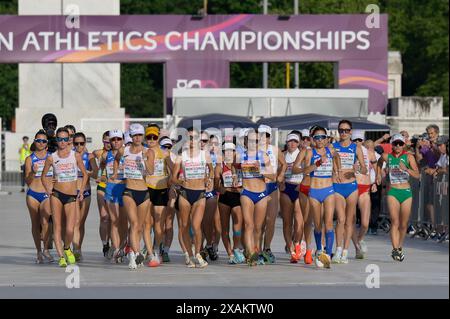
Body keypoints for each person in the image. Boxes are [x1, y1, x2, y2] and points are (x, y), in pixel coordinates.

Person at [41, 127, 89, 267]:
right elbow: (44, 175)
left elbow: (85, 174)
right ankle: (61, 256)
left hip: (71, 195)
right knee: (57, 226)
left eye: (65, 139)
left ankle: (67, 247)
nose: (62, 142)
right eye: (59, 139)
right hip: (56, 195)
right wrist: (48, 188)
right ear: (56, 140)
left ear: (69, 140)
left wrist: (80, 191)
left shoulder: (75, 155)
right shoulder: (52, 157)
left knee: (70, 228)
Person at [112, 124, 155, 270]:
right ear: (131, 136)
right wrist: (115, 173)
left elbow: (150, 171)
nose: (137, 138)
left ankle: (131, 250)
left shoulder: (148, 151)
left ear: (142, 136)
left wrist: (144, 159)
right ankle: (134, 254)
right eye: (135, 135)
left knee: (140, 227)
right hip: (129, 191)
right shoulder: (124, 150)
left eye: (140, 135)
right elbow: (116, 159)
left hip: (144, 193)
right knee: (134, 223)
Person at [171, 127, 213, 268]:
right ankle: (189, 254)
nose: (192, 140)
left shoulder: (204, 154)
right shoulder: (181, 156)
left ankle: (197, 253)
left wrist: (208, 178)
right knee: (184, 226)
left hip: (200, 193)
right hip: (185, 193)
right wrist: (180, 182)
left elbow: (211, 170)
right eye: (189, 137)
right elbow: (173, 178)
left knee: (196, 226)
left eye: (195, 137)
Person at [302, 126, 340, 269]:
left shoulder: (330, 150)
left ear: (326, 138)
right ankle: (319, 250)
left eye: (322, 137)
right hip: (314, 190)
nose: (320, 140)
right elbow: (304, 170)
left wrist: (337, 171)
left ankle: (328, 254)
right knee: (317, 224)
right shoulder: (309, 152)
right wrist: (316, 164)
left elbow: (337, 157)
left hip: (328, 189)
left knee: (329, 222)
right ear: (312, 139)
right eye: (317, 137)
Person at [377, 134, 420, 261]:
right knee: (394, 221)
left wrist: (406, 169)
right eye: (395, 144)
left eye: (400, 144)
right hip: (393, 191)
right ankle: (395, 249)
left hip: (406, 192)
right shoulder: (387, 156)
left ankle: (399, 247)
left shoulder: (409, 157)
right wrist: (378, 175)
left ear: (404, 145)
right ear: (392, 144)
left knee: (403, 224)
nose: (398, 146)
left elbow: (417, 175)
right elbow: (379, 163)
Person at [236, 130, 275, 266]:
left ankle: (255, 250)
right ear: (246, 142)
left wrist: (261, 170)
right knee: (248, 225)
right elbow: (234, 171)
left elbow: (273, 176)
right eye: (251, 140)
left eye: (256, 141)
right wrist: (236, 181)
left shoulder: (263, 156)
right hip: (247, 192)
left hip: (261, 194)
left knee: (258, 228)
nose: (254, 143)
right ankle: (251, 254)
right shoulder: (240, 156)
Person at [332, 120, 367, 264]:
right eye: (341, 130)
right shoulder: (333, 146)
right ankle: (338, 249)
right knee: (340, 219)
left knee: (349, 220)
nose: (343, 133)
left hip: (351, 186)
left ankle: (346, 251)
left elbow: (365, 169)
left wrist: (357, 168)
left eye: (346, 130)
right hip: (337, 185)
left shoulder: (356, 147)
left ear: (351, 132)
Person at [258, 124, 287, 264]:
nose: (264, 138)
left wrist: (280, 176)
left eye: (266, 135)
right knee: (259, 222)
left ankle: (267, 248)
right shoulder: (253, 150)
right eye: (261, 135)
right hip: (258, 187)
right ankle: (256, 249)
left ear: (270, 137)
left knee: (270, 220)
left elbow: (284, 164)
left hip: (272, 187)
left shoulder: (275, 150)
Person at [145, 124, 173, 266]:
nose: (151, 139)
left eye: (154, 137)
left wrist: (171, 183)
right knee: (147, 222)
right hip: (147, 188)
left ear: (157, 138)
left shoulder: (165, 153)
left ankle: (157, 249)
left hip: (161, 189)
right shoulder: (143, 152)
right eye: (148, 137)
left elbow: (173, 169)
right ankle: (149, 251)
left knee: (158, 222)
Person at [24, 130, 54, 263]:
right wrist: (33, 173)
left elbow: (59, 174)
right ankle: (38, 252)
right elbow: (27, 181)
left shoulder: (51, 157)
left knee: (45, 221)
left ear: (47, 143)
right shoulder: (29, 159)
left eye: (43, 141)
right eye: (38, 140)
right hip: (33, 194)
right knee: (35, 224)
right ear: (34, 142)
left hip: (47, 194)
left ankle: (46, 248)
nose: (40, 143)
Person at [215, 142, 246, 264]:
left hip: (237, 197)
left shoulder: (240, 165)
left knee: (237, 226)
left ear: (235, 152)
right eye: (226, 151)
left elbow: (247, 181)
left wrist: (240, 189)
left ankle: (236, 247)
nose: (228, 153)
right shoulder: (219, 166)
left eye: (231, 151)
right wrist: (221, 188)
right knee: (225, 228)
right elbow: (216, 186)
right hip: (224, 198)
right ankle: (230, 254)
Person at [102, 129, 127, 263]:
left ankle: (122, 247)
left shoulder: (128, 153)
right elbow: (99, 170)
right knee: (114, 221)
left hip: (125, 188)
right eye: (113, 139)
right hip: (111, 188)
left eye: (118, 139)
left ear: (123, 140)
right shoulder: (106, 155)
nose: (116, 142)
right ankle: (117, 249)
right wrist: (101, 175)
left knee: (123, 222)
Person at [351, 131, 376, 259]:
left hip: (364, 188)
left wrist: (375, 182)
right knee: (352, 221)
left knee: (365, 223)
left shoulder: (369, 153)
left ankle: (360, 240)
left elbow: (376, 166)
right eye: (355, 140)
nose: (357, 143)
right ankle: (356, 248)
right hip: (351, 187)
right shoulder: (348, 152)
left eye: (359, 140)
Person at [280, 133, 304, 263]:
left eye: (295, 141)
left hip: (299, 188)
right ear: (287, 142)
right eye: (290, 141)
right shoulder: (282, 155)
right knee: (287, 221)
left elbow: (308, 171)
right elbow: (278, 171)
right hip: (287, 188)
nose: (292, 144)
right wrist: (280, 183)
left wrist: (303, 185)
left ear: (299, 142)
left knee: (299, 221)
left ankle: (297, 244)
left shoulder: (302, 154)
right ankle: (291, 249)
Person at [72, 132, 96, 261]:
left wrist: (86, 172)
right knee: (75, 222)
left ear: (85, 143)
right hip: (73, 191)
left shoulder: (89, 156)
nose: (79, 146)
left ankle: (79, 248)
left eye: (81, 143)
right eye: (76, 143)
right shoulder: (70, 155)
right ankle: (75, 249)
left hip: (86, 191)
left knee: (81, 223)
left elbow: (96, 173)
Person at [416, 124, 441, 229]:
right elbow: (419, 160)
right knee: (430, 203)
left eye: (432, 133)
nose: (430, 136)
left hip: (441, 176)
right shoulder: (426, 145)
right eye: (429, 133)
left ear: (437, 133)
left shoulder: (441, 143)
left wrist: (432, 145)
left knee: (441, 203)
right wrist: (417, 148)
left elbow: (440, 155)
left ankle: (441, 228)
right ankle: (434, 227)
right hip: (431, 178)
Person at [201, 132, 221, 262]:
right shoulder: (195, 155)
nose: (211, 145)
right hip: (200, 191)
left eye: (215, 143)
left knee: (216, 223)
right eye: (201, 141)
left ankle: (214, 246)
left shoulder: (219, 157)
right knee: (202, 222)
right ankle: (202, 248)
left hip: (215, 191)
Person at [92, 131, 112, 257]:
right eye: (106, 141)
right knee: (104, 217)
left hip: (114, 186)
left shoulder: (118, 153)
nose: (108, 144)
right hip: (102, 186)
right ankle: (105, 244)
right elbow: (89, 154)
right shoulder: (99, 153)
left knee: (114, 218)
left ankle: (116, 243)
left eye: (111, 141)